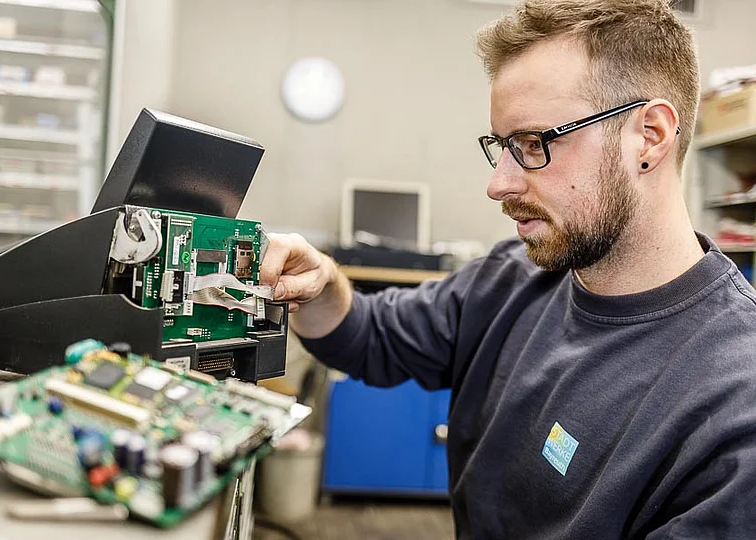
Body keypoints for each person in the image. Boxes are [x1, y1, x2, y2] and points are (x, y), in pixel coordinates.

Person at [259, 0, 756, 538]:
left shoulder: (734, 405)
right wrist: (321, 283)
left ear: (650, 136)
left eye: (534, 143)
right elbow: (370, 337)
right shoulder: (509, 278)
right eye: (502, 146)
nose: (499, 184)